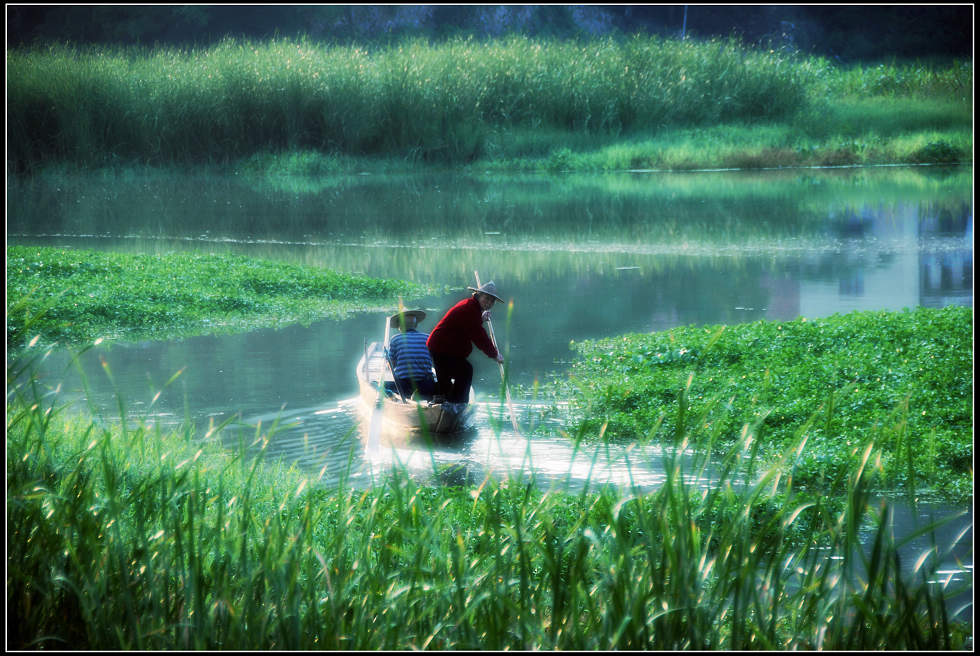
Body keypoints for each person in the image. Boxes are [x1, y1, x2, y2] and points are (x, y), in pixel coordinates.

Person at [426, 281, 506, 404]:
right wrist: (494, 355)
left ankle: (451, 401)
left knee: (455, 375)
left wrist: (481, 318)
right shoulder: (469, 308)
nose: (489, 303)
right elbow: (480, 337)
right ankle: (457, 403)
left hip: (448, 348)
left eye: (492, 301)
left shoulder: (472, 308)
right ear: (478, 295)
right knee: (464, 371)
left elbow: (469, 325)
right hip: (441, 347)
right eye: (486, 298)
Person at [386, 309, 437, 399]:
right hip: (426, 383)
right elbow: (434, 360)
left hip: (404, 384)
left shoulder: (395, 339)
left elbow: (391, 365)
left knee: (383, 386)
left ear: (399, 326)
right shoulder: (427, 337)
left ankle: (411, 395)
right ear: (416, 325)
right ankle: (420, 395)